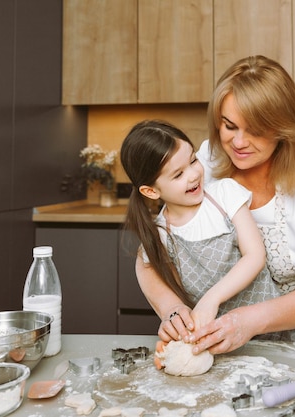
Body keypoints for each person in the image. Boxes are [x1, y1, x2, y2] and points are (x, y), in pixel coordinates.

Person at [137, 55, 295, 354]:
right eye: (229, 126)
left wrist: (248, 321)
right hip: (238, 329)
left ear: (283, 128)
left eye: (255, 130)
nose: (239, 142)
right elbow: (150, 257)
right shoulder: (205, 163)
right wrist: (172, 308)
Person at [120, 119, 282, 333]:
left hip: (265, 328)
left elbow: (255, 256)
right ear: (151, 191)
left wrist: (211, 299)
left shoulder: (225, 195)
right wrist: (173, 310)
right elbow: (148, 272)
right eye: (178, 174)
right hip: (217, 340)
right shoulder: (160, 234)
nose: (194, 174)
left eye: (193, 160)